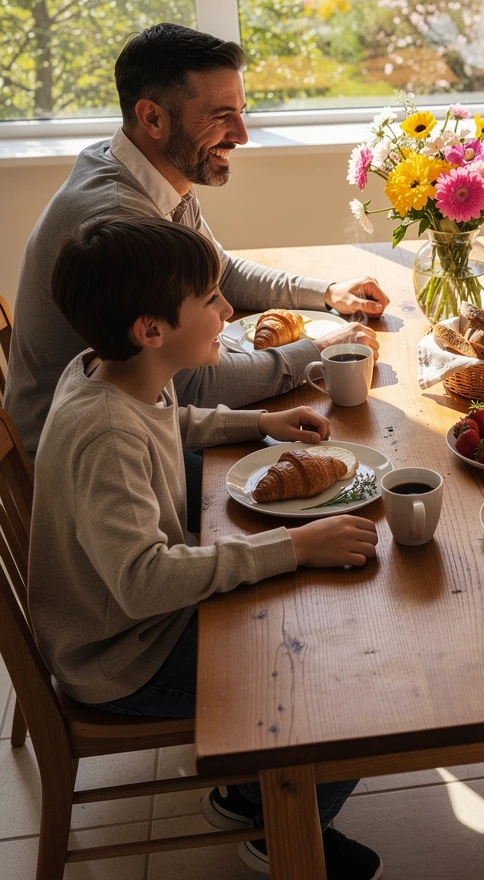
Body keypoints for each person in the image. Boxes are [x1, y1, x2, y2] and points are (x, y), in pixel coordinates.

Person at [29, 218, 383, 879]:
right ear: (151, 329)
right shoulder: (106, 436)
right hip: (124, 658)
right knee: (338, 681)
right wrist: (295, 546)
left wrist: (259, 422)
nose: (227, 312)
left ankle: (250, 794)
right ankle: (286, 831)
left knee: (313, 621)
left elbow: (172, 419)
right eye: (211, 301)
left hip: (136, 626)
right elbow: (142, 581)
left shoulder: (114, 374)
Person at [4, 22, 389, 455]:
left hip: (149, 425)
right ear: (152, 117)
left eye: (241, 111)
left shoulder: (149, 172)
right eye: (221, 116)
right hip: (91, 462)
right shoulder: (121, 221)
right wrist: (316, 351)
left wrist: (327, 294)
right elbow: (193, 387)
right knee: (340, 459)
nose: (241, 135)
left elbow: (219, 270)